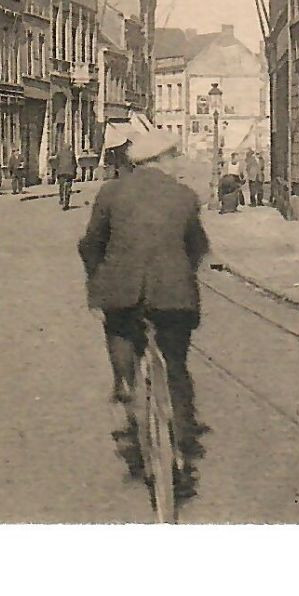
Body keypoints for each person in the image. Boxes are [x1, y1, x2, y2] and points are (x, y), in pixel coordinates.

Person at [77, 130, 210, 487]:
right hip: (174, 297)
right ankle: (182, 445)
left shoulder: (111, 193)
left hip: (122, 294)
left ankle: (126, 387)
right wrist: (180, 273)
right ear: (163, 159)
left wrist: (97, 286)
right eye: (174, 157)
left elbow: (91, 245)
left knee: (122, 341)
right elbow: (197, 247)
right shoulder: (184, 196)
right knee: (176, 366)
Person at [54, 139, 78, 210]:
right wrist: (74, 172)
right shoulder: (71, 153)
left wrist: (57, 172)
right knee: (68, 188)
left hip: (61, 173)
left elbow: (56, 163)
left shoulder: (59, 153)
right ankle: (66, 202)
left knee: (61, 186)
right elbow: (74, 164)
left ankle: (62, 199)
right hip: (69, 173)